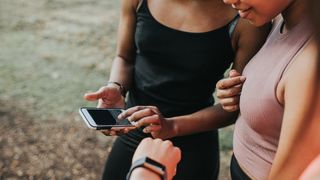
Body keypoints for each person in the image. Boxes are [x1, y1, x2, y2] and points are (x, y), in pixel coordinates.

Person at [119, 0, 319, 179]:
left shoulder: (310, 61)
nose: (227, 0)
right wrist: (238, 94)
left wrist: (149, 170)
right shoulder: (280, 22)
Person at [84, 0, 270, 179]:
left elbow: (234, 107)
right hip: (133, 132)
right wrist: (116, 86)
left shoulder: (246, 18)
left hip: (192, 144)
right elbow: (124, 57)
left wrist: (171, 126)